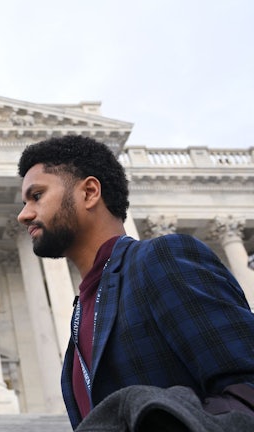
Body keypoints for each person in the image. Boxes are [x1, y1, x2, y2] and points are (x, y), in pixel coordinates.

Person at [16, 135, 254, 430]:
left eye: (37, 196)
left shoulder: (162, 258)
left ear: (89, 192)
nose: (23, 215)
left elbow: (247, 387)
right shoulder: (84, 312)